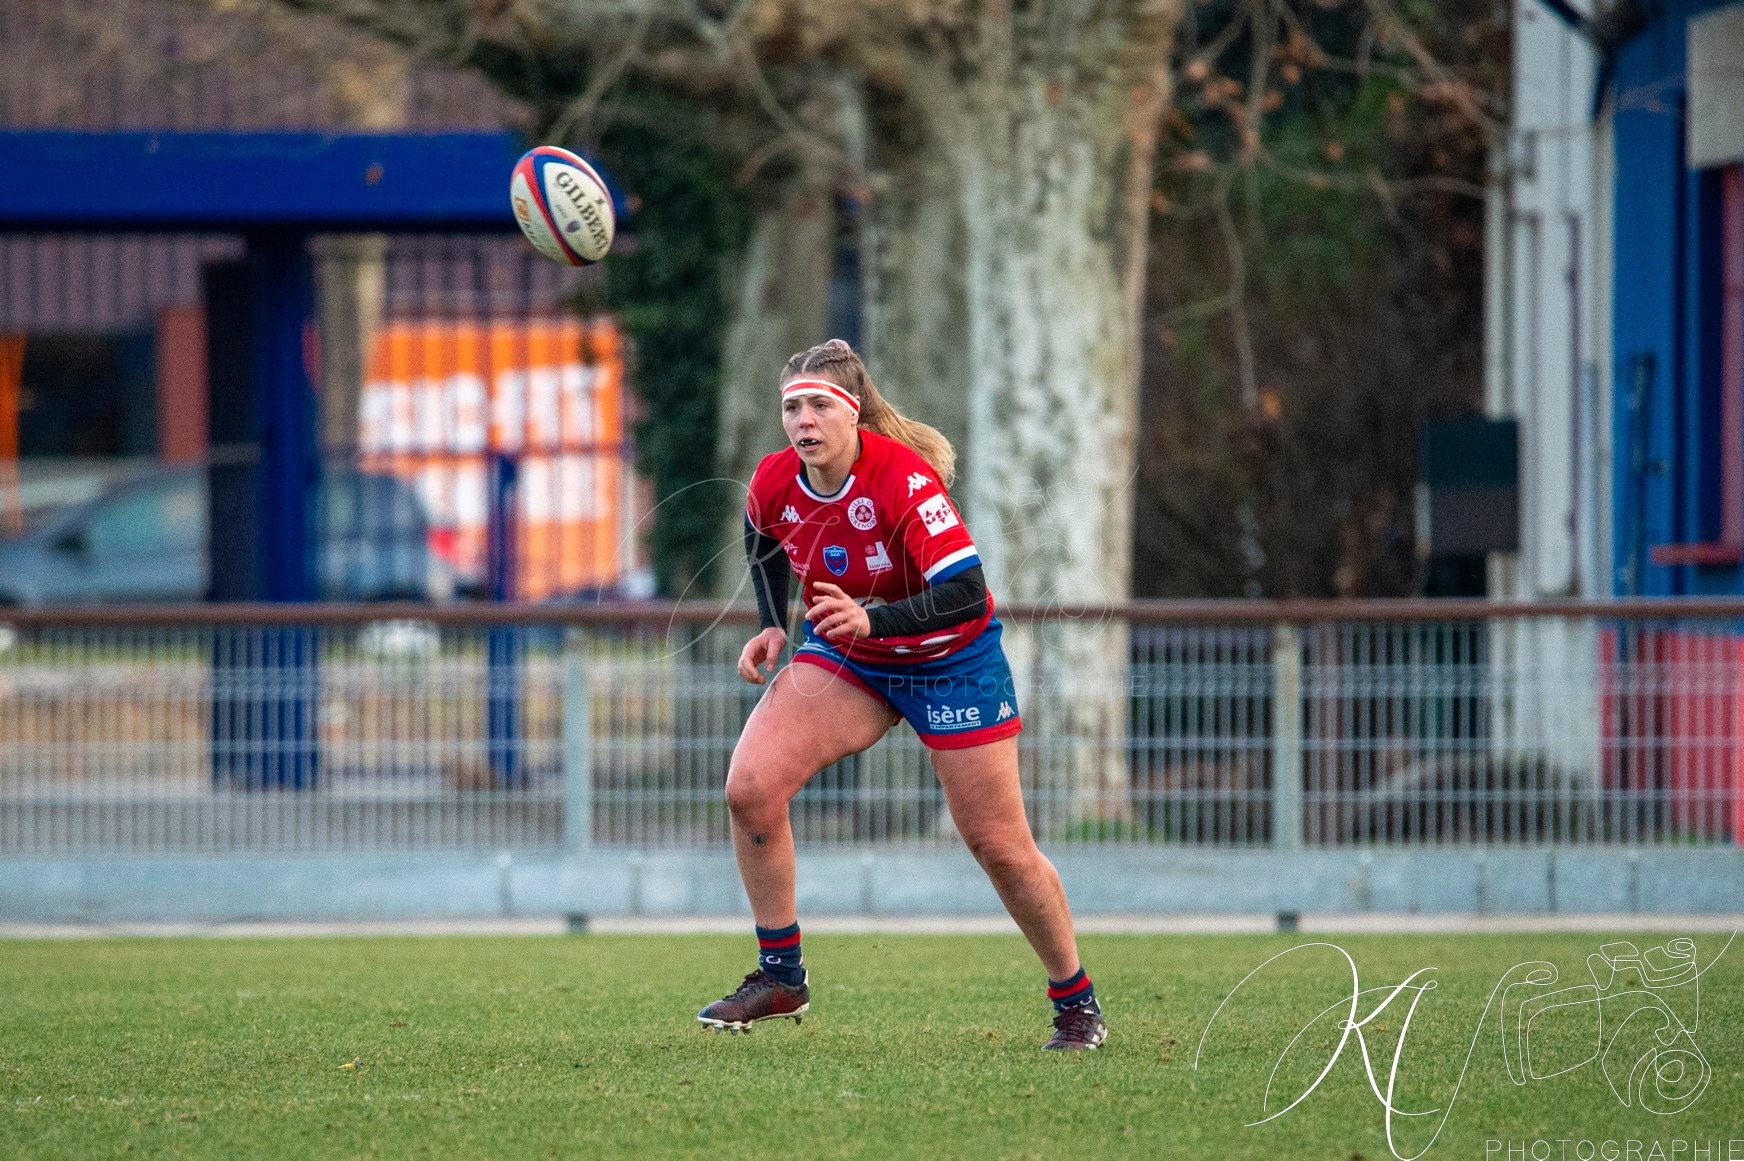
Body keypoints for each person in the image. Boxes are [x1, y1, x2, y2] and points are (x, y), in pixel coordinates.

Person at [695, 338, 1106, 1051]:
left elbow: (968, 591)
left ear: (854, 414)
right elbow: (760, 535)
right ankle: (780, 972)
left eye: (820, 404)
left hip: (952, 661)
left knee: (999, 846)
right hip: (855, 656)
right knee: (751, 787)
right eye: (791, 407)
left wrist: (873, 617)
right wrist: (770, 621)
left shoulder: (904, 480)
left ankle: (1076, 1002)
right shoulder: (775, 480)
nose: (803, 420)